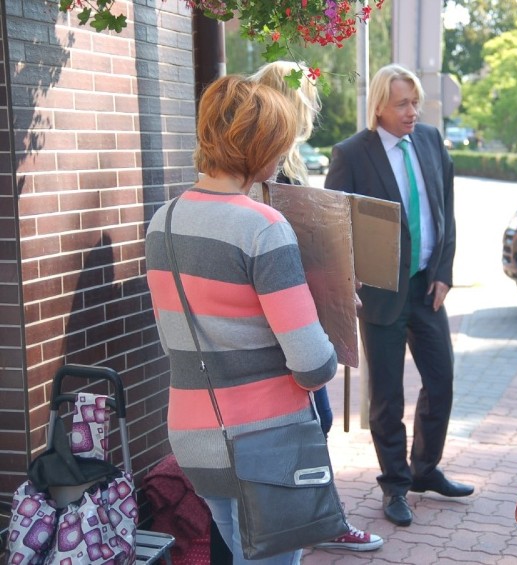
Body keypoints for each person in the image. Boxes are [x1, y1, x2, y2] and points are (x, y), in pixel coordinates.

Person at [145, 75, 338, 564]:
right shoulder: (263, 228)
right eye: (277, 141)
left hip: (194, 433)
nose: (281, 155)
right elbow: (313, 364)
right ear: (255, 145)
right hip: (267, 440)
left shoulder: (162, 220)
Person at [324, 63, 472, 528]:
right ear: (379, 106)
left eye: (416, 103)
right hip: (381, 294)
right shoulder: (352, 154)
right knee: (387, 395)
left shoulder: (430, 141)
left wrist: (444, 272)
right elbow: (334, 227)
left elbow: (445, 212)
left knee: (442, 381)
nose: (412, 112)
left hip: (427, 287)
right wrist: (348, 281)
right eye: (403, 104)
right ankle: (395, 483)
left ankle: (426, 469)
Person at [248, 60, 383, 552]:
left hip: (296, 308)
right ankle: (313, 523)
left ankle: (316, 521)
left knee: (314, 420)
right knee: (310, 421)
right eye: (308, 97)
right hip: (285, 314)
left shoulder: (279, 160)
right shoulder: (270, 165)